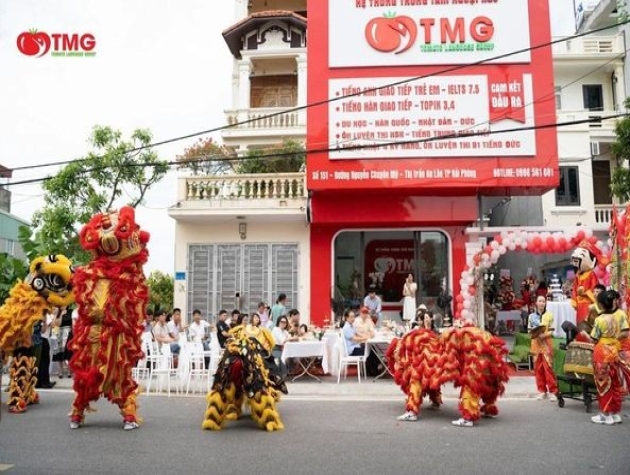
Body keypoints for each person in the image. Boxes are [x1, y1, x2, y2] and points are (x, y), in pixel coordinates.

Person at [581, 290, 628, 425]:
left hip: (602, 353)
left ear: (601, 305)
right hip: (613, 351)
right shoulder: (617, 316)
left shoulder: (599, 319)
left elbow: (594, 339)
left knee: (603, 384)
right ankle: (615, 413)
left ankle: (605, 414)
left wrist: (585, 334)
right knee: (614, 383)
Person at [528, 295, 558, 401]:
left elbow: (552, 330)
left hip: (546, 343)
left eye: (543, 301)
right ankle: (542, 391)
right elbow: (529, 330)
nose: (541, 303)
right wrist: (535, 334)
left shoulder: (549, 315)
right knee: (538, 368)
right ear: (536, 303)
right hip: (536, 344)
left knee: (548, 368)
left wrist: (544, 335)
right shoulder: (531, 316)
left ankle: (553, 391)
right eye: (540, 301)